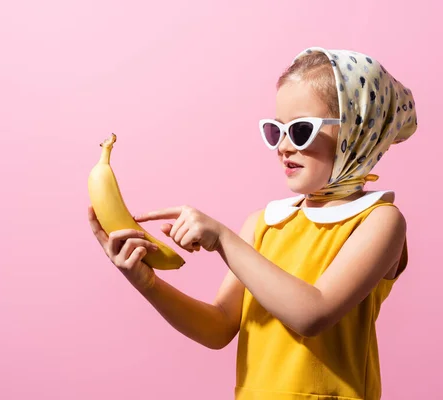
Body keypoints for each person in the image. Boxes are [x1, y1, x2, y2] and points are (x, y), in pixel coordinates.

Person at [88, 46, 418, 400]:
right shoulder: (263, 224)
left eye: (301, 130)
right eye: (276, 131)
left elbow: (313, 314)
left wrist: (224, 240)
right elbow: (218, 328)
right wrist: (147, 283)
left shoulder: (379, 221)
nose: (284, 147)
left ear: (357, 131)